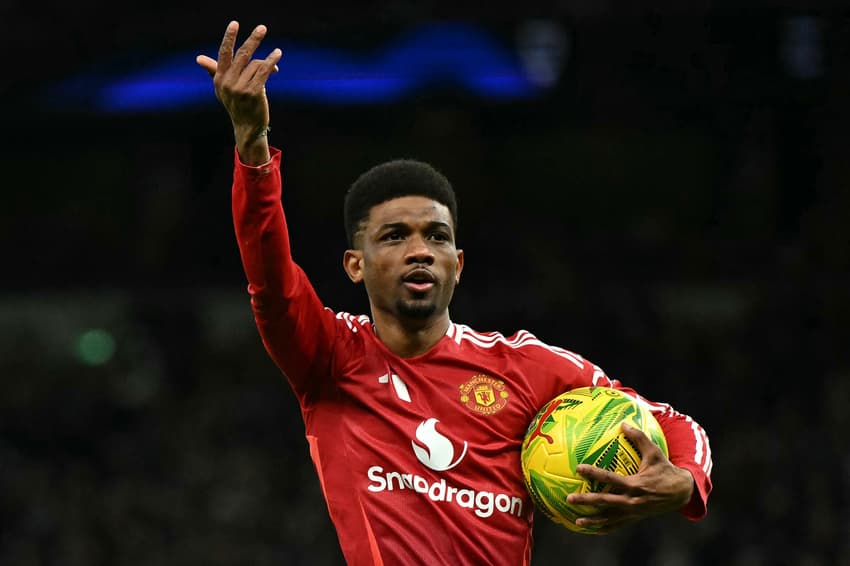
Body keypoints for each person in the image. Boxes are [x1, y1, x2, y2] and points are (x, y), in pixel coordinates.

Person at [196, 21, 713, 566]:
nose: (420, 250)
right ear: (355, 265)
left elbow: (677, 425)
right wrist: (252, 145)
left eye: (436, 237)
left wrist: (682, 482)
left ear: (458, 264)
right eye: (395, 236)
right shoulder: (330, 358)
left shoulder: (525, 367)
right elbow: (271, 285)